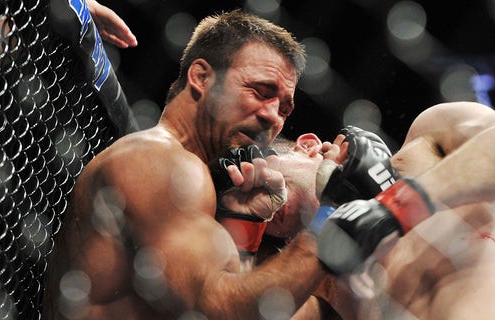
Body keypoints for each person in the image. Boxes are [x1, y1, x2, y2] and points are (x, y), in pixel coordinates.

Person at [42, 9, 315, 319]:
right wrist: (332, 232)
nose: (272, 117)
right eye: (261, 92)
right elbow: (218, 309)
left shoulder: (188, 172)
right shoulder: (162, 163)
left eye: (284, 109)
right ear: (201, 77)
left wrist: (246, 226)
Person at [229, 101, 495, 319]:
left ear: (306, 147)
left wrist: (397, 205)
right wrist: (247, 220)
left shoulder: (428, 143)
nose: (252, 181)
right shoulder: (315, 273)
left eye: (255, 169)